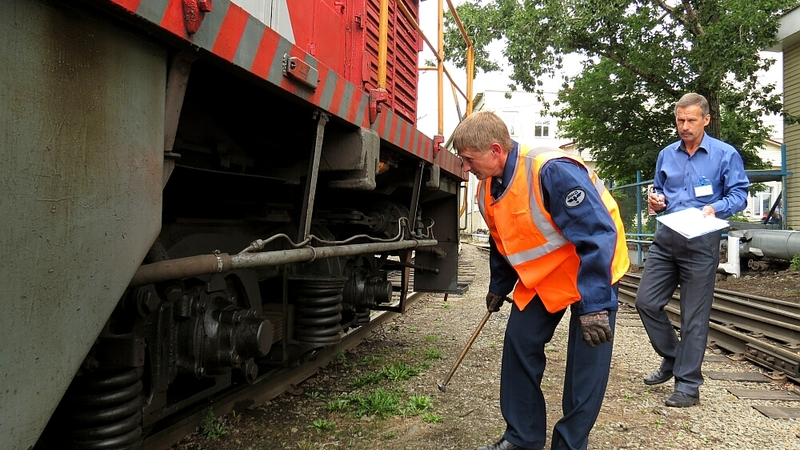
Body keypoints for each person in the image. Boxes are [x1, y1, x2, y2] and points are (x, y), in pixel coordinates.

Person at [453, 110, 630, 450]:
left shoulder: (551, 170)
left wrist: (594, 306)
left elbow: (597, 235)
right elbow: (501, 237)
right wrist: (498, 286)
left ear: (494, 150)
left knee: (586, 366)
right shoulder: (487, 187)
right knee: (520, 342)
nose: (466, 168)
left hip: (593, 268)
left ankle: (569, 444)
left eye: (468, 160)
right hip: (548, 276)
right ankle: (522, 438)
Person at [637, 93, 749, 408]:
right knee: (646, 302)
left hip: (701, 242)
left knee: (693, 317)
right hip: (667, 238)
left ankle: (687, 386)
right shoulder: (666, 155)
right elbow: (658, 190)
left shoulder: (725, 154)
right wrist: (654, 201)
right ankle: (673, 357)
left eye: (691, 120)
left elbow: (740, 194)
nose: (684, 127)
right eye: (680, 120)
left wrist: (717, 207)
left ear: (706, 119)